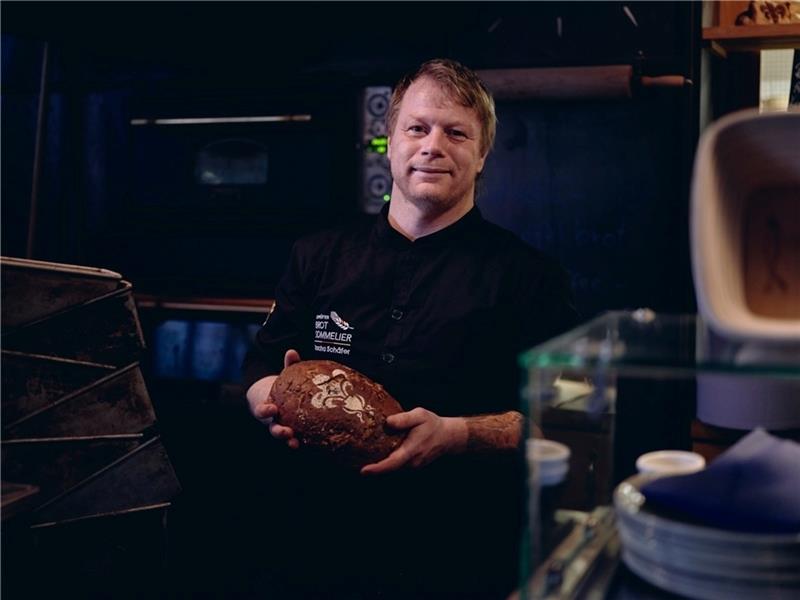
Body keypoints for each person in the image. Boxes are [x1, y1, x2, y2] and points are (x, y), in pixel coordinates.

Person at [243, 58, 578, 599]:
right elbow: (262, 365)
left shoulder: (529, 278)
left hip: (456, 550)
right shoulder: (318, 255)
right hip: (314, 539)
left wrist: (458, 434)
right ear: (391, 141)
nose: (432, 145)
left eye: (456, 132)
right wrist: (269, 401)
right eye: (417, 128)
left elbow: (566, 417)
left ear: (482, 154)